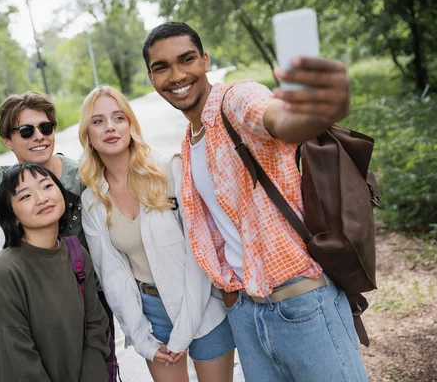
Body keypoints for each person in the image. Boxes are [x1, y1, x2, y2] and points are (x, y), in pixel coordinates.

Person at [142, 22, 369, 381]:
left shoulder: (235, 100)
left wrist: (316, 113)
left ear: (205, 60)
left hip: (300, 304)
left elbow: (277, 118)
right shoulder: (190, 139)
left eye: (186, 59)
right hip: (247, 316)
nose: (177, 75)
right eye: (161, 67)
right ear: (151, 78)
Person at [79, 85, 235, 382]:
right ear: (87, 134)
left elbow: (199, 253)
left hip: (200, 304)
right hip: (152, 313)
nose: (110, 127)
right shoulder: (93, 201)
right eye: (98, 121)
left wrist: (184, 332)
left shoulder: (168, 169)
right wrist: (140, 337)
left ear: (130, 125)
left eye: (118, 118)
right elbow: (113, 276)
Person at [0, 92, 115, 335]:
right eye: (26, 131)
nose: (39, 137)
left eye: (46, 128)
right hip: (36, 305)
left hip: (90, 300)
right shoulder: (3, 186)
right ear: (8, 141)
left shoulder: (84, 175)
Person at [0, 163, 110, 382]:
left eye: (47, 186)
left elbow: (95, 328)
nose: (41, 198)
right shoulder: (7, 269)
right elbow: (13, 355)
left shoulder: (76, 254)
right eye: (25, 197)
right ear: (13, 217)